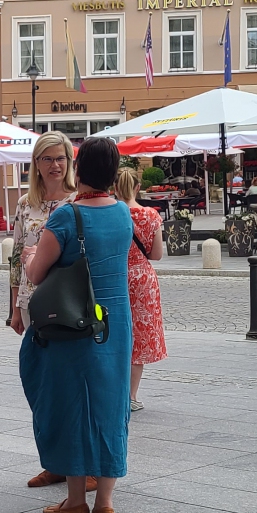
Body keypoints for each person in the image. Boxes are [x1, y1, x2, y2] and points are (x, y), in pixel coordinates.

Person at [18, 137, 133, 513]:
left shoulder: (67, 216)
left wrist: (31, 256)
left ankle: (74, 501)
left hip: (74, 322)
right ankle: (105, 503)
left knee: (71, 405)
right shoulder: (122, 213)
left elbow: (37, 273)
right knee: (111, 405)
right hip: (114, 323)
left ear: (78, 169)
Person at [10, 133, 86, 491]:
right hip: (34, 304)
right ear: (36, 164)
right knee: (42, 389)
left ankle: (80, 467)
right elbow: (16, 257)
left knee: (71, 388)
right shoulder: (26, 204)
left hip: (69, 305)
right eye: (47, 159)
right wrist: (15, 306)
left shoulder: (79, 200)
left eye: (61, 158)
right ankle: (54, 462)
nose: (55, 165)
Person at [115, 169, 166, 412]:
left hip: (115, 277)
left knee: (115, 333)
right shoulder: (150, 215)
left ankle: (114, 393)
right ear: (138, 187)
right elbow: (156, 254)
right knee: (139, 337)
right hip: (143, 279)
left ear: (114, 187)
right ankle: (131, 396)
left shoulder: (111, 214)